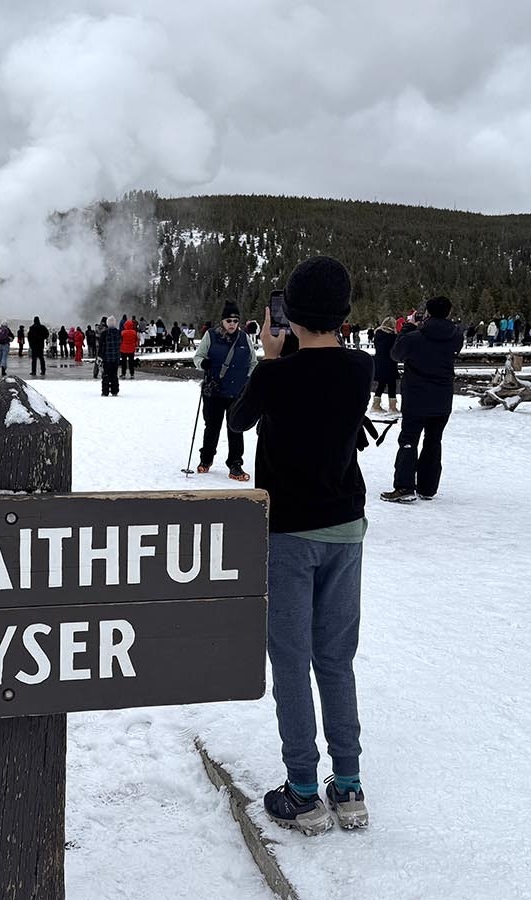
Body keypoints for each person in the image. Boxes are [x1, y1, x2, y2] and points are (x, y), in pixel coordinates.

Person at [226, 256, 373, 836]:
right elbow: (323, 386)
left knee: (291, 658)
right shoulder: (360, 368)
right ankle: (350, 786)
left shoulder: (274, 374)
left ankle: (304, 791)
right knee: (335, 657)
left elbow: (238, 421)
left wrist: (267, 358)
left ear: (288, 315)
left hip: (288, 531)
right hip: (346, 527)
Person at [381, 296, 462, 503]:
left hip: (416, 395)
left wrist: (408, 328)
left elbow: (396, 354)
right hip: (443, 397)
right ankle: (428, 487)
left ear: (427, 313)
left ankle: (405, 486)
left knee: (409, 440)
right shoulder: (456, 336)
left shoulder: (415, 337)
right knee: (434, 441)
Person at [194, 302, 259, 478]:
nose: (232, 323)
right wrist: (203, 363)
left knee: (236, 429)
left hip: (237, 393)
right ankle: (206, 459)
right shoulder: (211, 336)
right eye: (229, 320)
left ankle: (235, 463)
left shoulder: (245, 338)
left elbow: (253, 363)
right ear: (222, 321)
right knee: (212, 427)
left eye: (235, 320)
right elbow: (198, 357)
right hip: (214, 392)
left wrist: (247, 381)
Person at [370, 317, 398, 414]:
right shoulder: (392, 337)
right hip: (390, 362)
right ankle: (392, 407)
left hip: (379, 362)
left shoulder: (378, 335)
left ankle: (375, 405)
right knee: (392, 384)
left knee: (381, 384)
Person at [98, 316, 123, 396]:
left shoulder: (104, 334)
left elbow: (101, 346)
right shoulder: (118, 333)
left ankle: (105, 391)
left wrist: (99, 356)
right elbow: (120, 344)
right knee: (114, 375)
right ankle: (114, 391)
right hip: (116, 358)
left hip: (106, 358)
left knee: (106, 375)